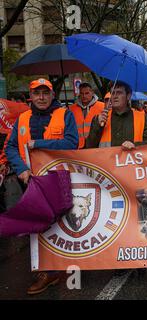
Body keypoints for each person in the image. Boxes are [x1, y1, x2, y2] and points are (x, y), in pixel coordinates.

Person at [5, 78, 78, 295]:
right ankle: (46, 271)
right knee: (38, 226)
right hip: (30, 182)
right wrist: (21, 169)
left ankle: (64, 263)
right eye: (37, 93)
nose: (41, 97)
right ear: (31, 96)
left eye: (46, 93)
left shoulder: (65, 115)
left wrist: (39, 144)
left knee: (63, 223)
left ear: (52, 95)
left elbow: (72, 142)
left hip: (58, 180)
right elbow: (10, 147)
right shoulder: (22, 119)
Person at [86, 81, 147, 149]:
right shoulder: (100, 119)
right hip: (107, 161)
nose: (115, 96)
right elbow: (89, 147)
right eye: (112, 93)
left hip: (131, 161)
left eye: (119, 93)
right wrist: (97, 126)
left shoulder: (141, 117)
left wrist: (135, 145)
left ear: (128, 96)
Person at [69, 82, 105, 149]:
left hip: (96, 144)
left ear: (92, 93)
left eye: (87, 93)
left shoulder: (102, 106)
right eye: (82, 93)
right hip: (78, 146)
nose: (84, 96)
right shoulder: (71, 109)